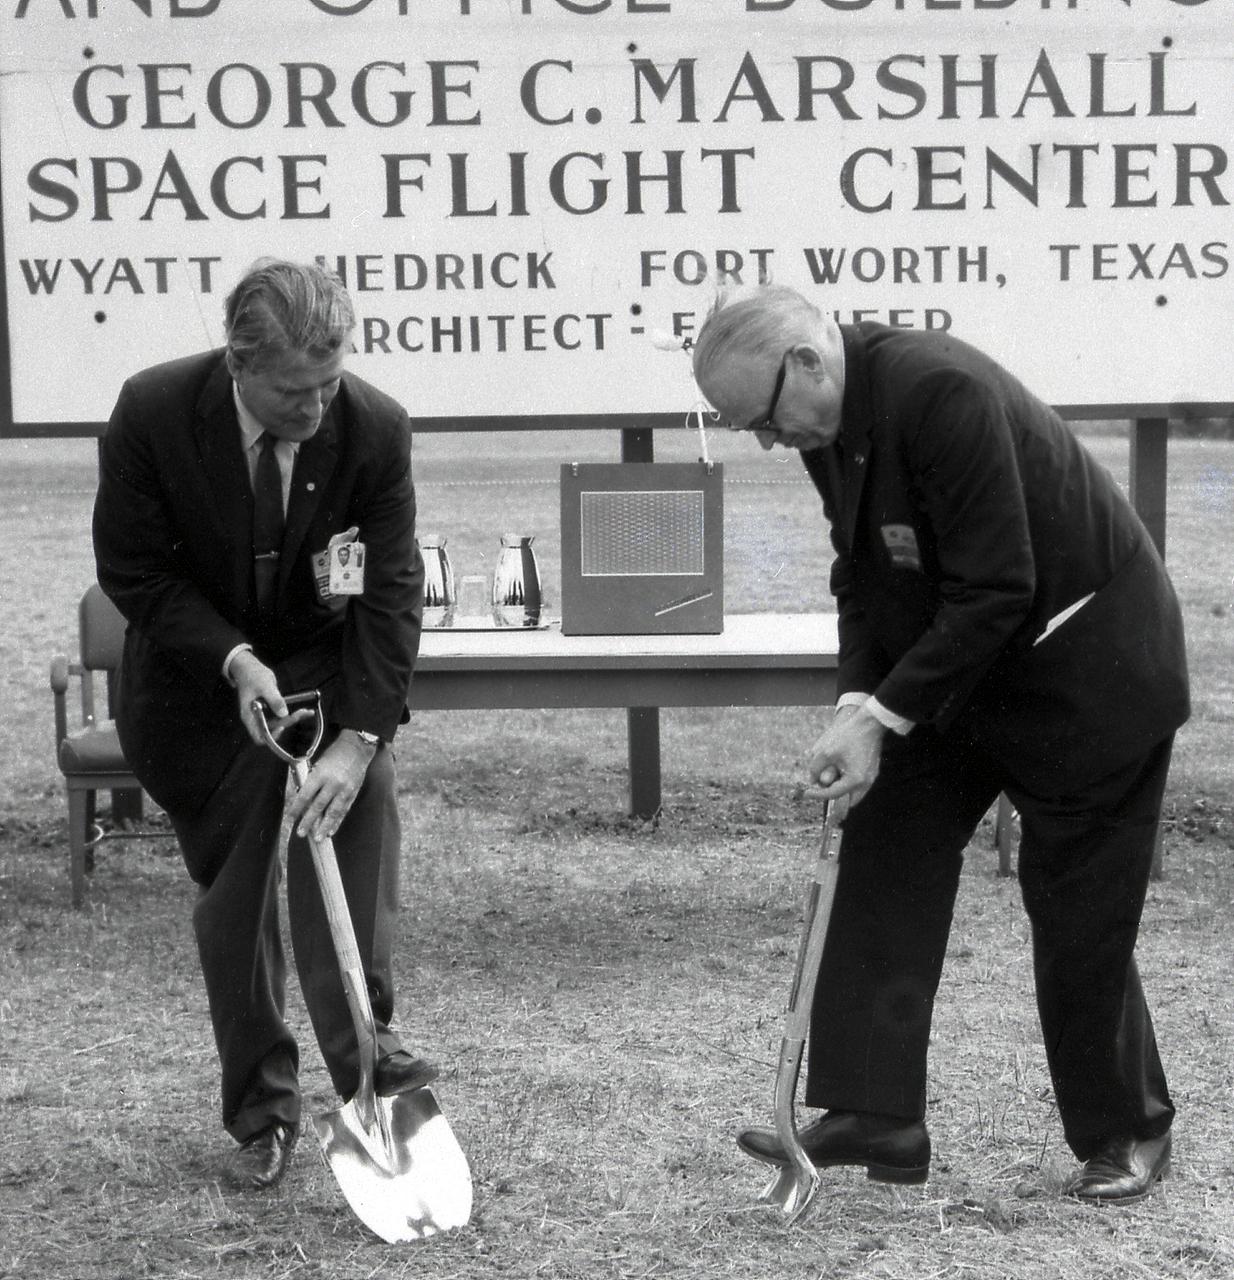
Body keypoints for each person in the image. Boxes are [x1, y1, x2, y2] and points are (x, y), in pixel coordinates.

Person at [691, 284, 1189, 1205]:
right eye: (742, 427)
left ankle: (1129, 1128)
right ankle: (878, 1115)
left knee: (1074, 899)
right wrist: (855, 701)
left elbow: (1000, 585)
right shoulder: (825, 422)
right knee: (886, 837)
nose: (764, 439)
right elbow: (861, 573)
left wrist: (884, 716)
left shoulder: (937, 390)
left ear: (807, 361)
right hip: (973, 665)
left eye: (760, 417)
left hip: (1090, 664)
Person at [93, 258, 436, 1191]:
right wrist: (234, 658)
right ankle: (261, 1107)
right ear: (239, 364)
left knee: (353, 867)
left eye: (330, 382)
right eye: (295, 391)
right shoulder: (154, 412)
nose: (318, 408)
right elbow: (133, 572)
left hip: (325, 684)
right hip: (201, 691)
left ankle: (373, 1074)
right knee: (239, 898)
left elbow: (391, 593)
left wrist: (360, 742)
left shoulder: (374, 427)